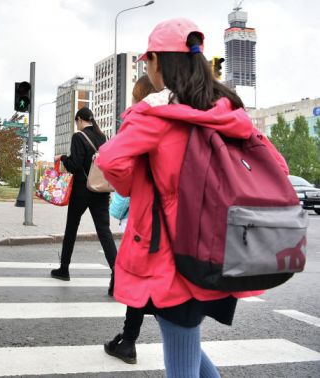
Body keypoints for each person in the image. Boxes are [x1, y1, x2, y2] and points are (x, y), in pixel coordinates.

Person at [95, 18, 287, 376]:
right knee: (186, 345)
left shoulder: (156, 113)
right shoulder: (228, 110)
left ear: (157, 61)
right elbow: (277, 164)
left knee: (181, 361)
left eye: (147, 61)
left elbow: (110, 159)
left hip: (173, 254)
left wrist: (139, 184)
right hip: (220, 249)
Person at [103, 75, 156, 365]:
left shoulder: (147, 122)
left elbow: (111, 159)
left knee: (145, 284)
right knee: (146, 283)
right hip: (159, 218)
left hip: (149, 219)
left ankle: (128, 340)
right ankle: (127, 339)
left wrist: (125, 188)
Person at [50, 106, 118, 297]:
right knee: (104, 232)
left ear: (80, 120)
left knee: (71, 228)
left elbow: (74, 165)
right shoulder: (103, 137)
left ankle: (64, 269)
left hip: (82, 191)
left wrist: (63, 157)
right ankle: (117, 273)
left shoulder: (78, 137)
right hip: (100, 191)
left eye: (76, 121)